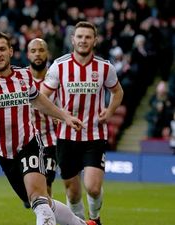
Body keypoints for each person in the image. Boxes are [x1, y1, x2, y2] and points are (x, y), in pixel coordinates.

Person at [0, 31, 96, 225]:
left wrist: (63, 115)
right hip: (4, 153)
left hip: (29, 144)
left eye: (2, 49)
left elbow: (37, 99)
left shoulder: (24, 75)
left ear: (11, 51)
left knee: (39, 200)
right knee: (38, 201)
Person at [41, 21, 124, 225]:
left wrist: (110, 110)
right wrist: (59, 114)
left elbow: (118, 92)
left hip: (95, 135)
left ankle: (94, 219)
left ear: (94, 40)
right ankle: (78, 223)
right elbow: (43, 96)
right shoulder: (59, 67)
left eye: (88, 37)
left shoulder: (105, 68)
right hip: (65, 137)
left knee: (93, 187)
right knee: (73, 192)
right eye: (80, 37)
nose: (83, 40)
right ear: (73, 39)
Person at [26, 38, 58, 197]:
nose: (37, 54)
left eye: (41, 50)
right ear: (28, 55)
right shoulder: (21, 79)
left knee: (46, 184)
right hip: (26, 142)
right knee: (30, 191)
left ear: (48, 53)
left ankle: (47, 221)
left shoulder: (56, 79)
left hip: (51, 142)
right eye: (33, 51)